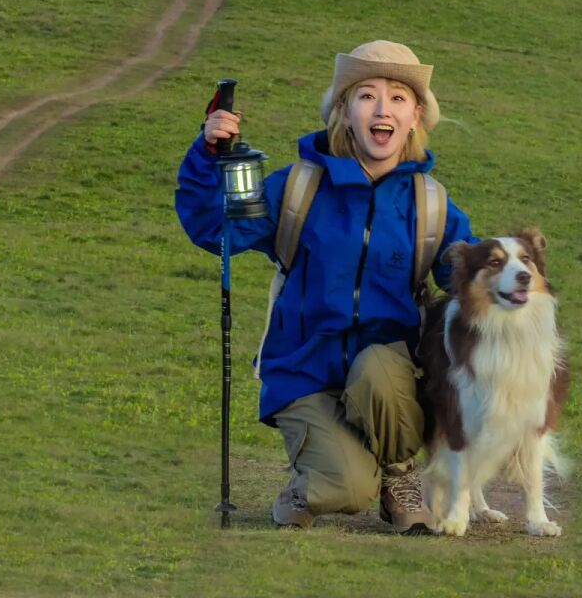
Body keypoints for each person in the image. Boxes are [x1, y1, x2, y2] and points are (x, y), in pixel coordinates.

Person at [175, 39, 475, 533]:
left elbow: (467, 274)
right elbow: (215, 231)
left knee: (378, 365)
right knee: (348, 491)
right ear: (343, 110)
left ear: (416, 116)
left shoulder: (431, 204)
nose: (383, 110)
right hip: (304, 372)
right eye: (367, 96)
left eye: (399, 98)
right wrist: (209, 155)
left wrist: (509, 275)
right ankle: (314, 483)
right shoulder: (297, 187)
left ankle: (399, 474)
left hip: (389, 381)